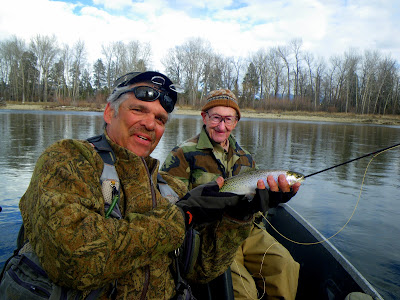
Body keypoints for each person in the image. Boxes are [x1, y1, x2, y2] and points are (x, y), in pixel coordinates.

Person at [16, 73, 272, 299]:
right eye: (138, 110)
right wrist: (182, 216)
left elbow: (201, 269)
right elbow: (74, 260)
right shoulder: (69, 160)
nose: (151, 124)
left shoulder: (167, 186)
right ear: (109, 112)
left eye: (160, 119)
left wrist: (237, 219)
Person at [161, 89, 301, 300]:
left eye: (228, 119)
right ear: (204, 117)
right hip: (213, 235)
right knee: (243, 290)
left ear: (236, 121)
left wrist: (270, 200)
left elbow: (257, 199)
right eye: (216, 118)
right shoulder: (182, 154)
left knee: (285, 266)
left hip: (248, 229)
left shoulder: (246, 157)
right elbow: (171, 207)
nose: (222, 126)